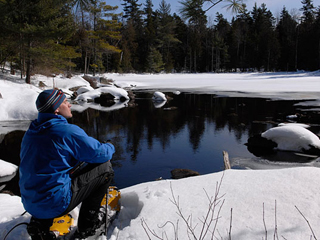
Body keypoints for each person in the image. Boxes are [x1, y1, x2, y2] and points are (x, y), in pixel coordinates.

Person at [19, 89, 115, 239]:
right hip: (55, 204)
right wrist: (110, 145)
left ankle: (40, 223)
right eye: (65, 102)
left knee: (55, 171)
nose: (69, 105)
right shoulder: (66, 131)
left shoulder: (32, 131)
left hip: (30, 202)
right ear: (56, 109)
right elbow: (100, 153)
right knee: (105, 168)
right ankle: (87, 227)